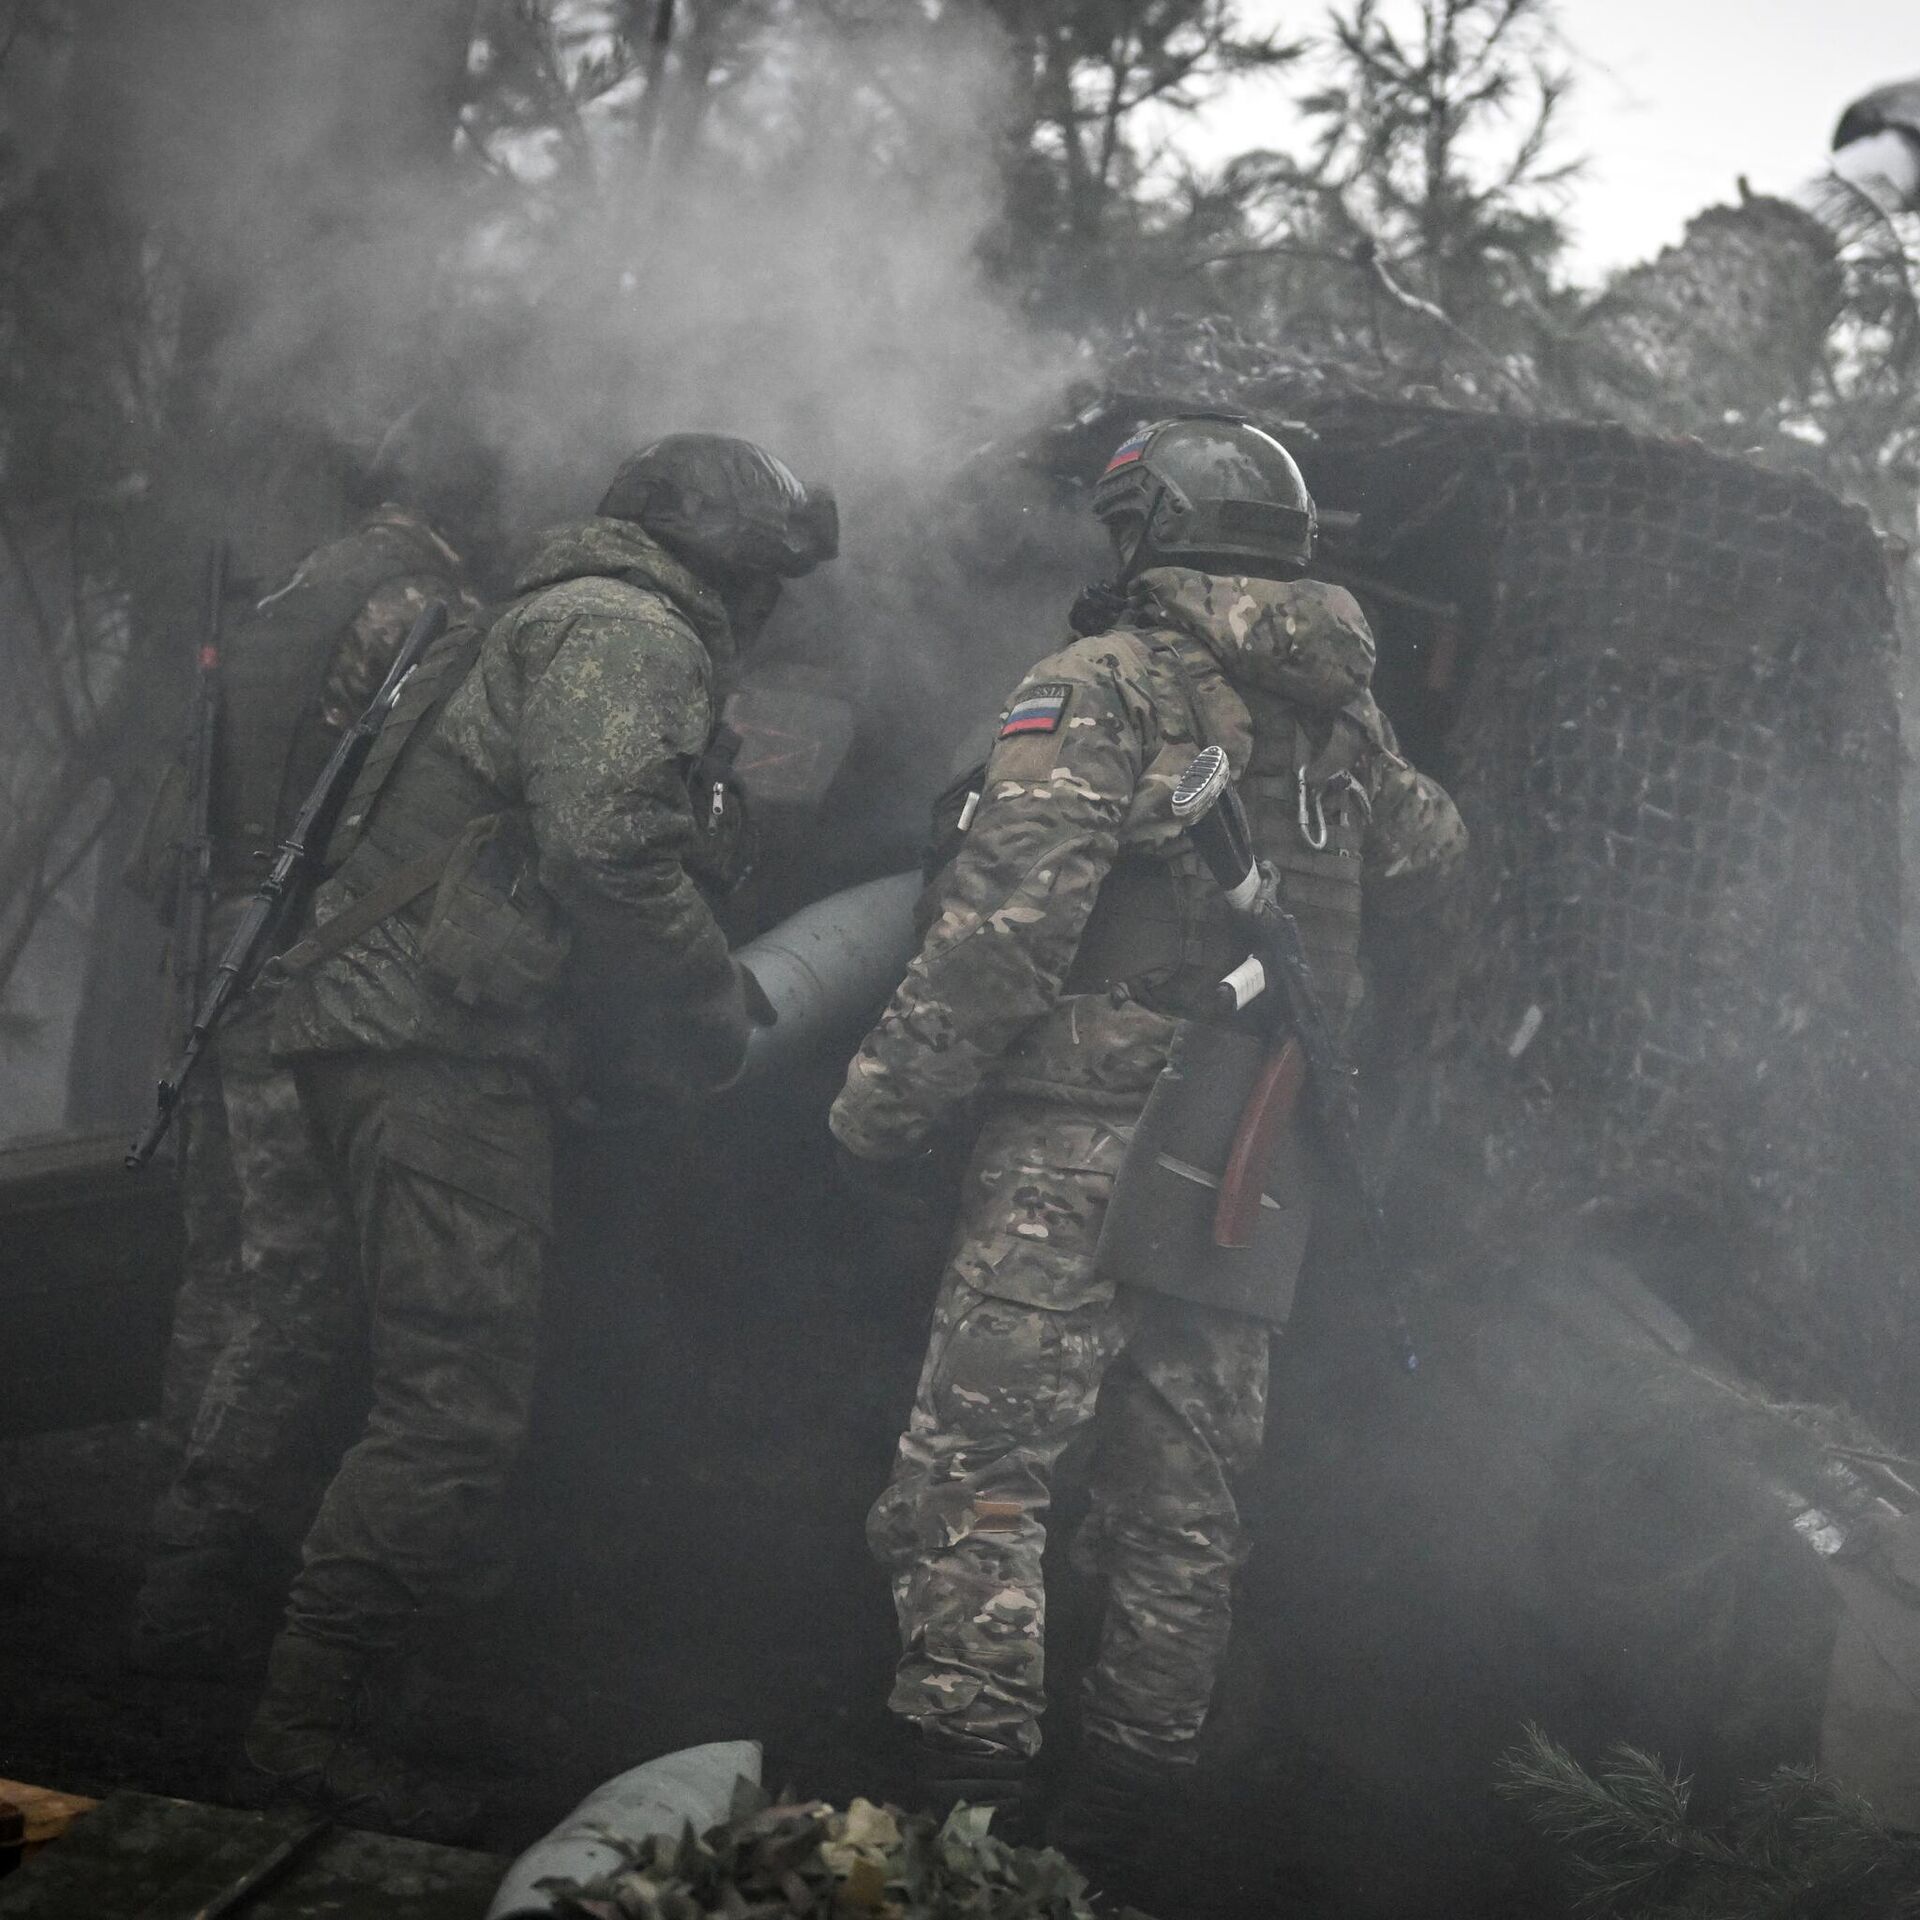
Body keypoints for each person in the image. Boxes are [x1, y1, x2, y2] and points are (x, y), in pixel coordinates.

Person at [829, 415, 1466, 1881]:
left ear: (1149, 536)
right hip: (1256, 1145)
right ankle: (1115, 1845)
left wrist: (880, 1109)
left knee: (979, 1470)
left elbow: (1000, 943)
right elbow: (1439, 863)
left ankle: (965, 1829)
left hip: (1083, 1136)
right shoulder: (1345, 719)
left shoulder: (1102, 688)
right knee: (1185, 1496)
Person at [239, 433, 837, 1840]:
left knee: (418, 1388)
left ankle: (329, 1687)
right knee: (449, 1412)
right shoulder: (628, 630)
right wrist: (705, 1010)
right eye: (765, 582)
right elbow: (611, 849)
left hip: (401, 1039)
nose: (767, 615)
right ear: (728, 566)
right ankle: (305, 1734)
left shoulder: (555, 613)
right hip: (435, 1055)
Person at [128, 500, 484, 1674]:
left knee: (223, 1255)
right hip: (286, 952)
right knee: (298, 1275)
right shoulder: (421, 606)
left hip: (213, 942)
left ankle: (165, 1521)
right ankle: (193, 1573)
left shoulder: (292, 593)